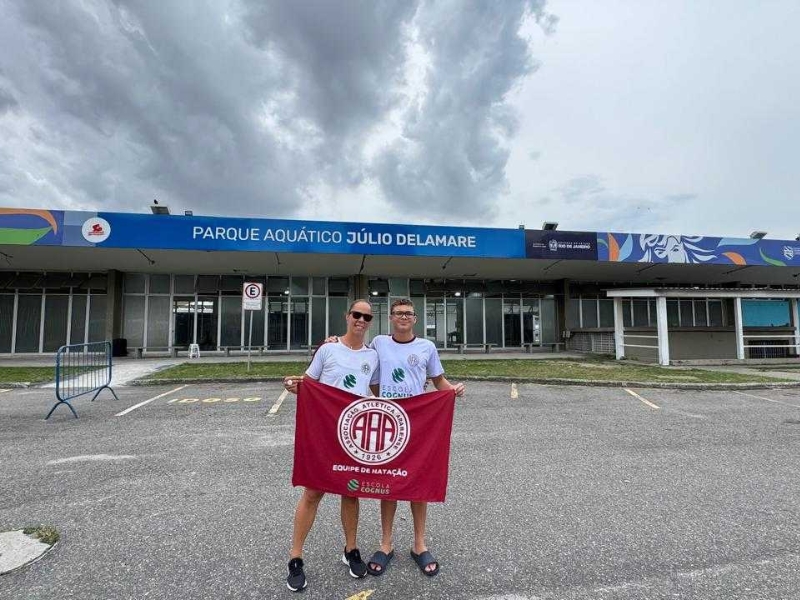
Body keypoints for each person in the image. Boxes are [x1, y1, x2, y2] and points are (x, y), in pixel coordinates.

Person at [327, 298, 465, 578]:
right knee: (388, 482)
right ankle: (386, 543)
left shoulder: (426, 347)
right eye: (398, 313)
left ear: (415, 319)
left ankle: (419, 544)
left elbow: (438, 380)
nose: (403, 317)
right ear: (390, 318)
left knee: (418, 482)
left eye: (408, 313)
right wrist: (333, 341)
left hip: (418, 423)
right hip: (388, 421)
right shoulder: (379, 343)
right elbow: (361, 357)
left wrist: (452, 390)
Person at [282, 299, 379, 592]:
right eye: (356, 314)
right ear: (347, 316)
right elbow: (308, 384)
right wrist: (294, 385)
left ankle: (351, 549)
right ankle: (295, 557)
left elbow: (378, 395)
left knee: (351, 491)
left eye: (366, 317)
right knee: (313, 493)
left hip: (353, 436)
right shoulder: (328, 349)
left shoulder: (372, 356)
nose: (361, 320)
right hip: (324, 433)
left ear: (370, 322)